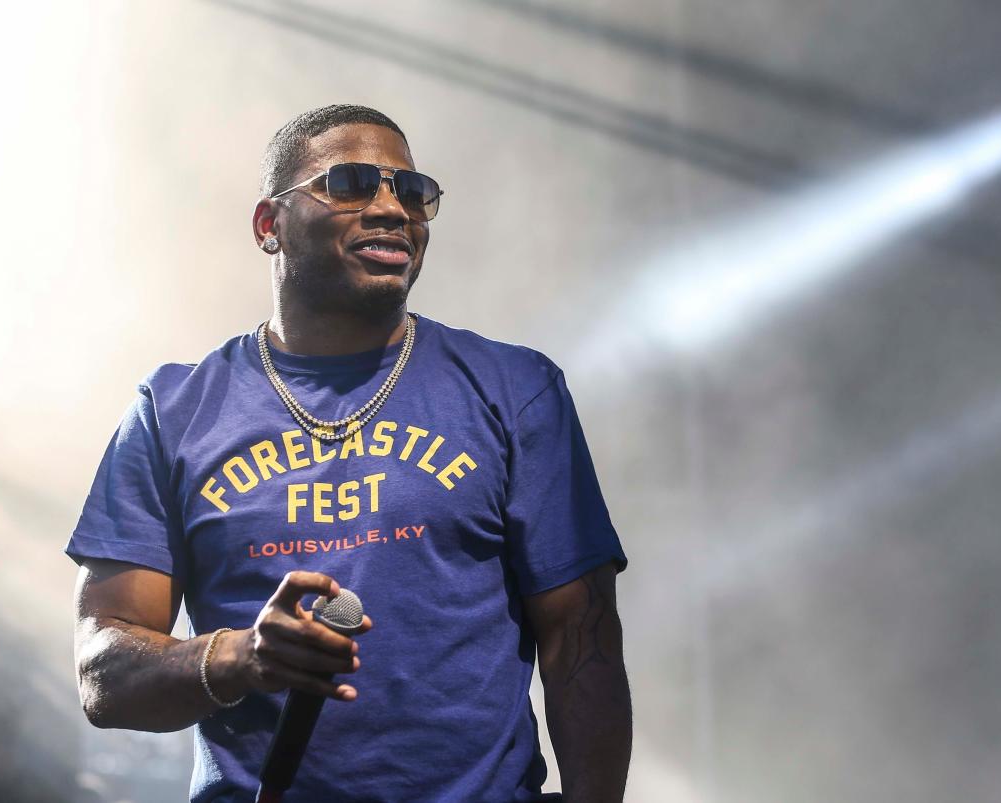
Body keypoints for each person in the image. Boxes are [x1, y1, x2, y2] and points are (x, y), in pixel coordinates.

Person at [67, 104, 631, 803]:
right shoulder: (173, 412)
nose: (394, 208)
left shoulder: (515, 390)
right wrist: (242, 656)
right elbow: (103, 673)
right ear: (269, 226)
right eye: (351, 183)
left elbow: (582, 638)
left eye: (412, 190)